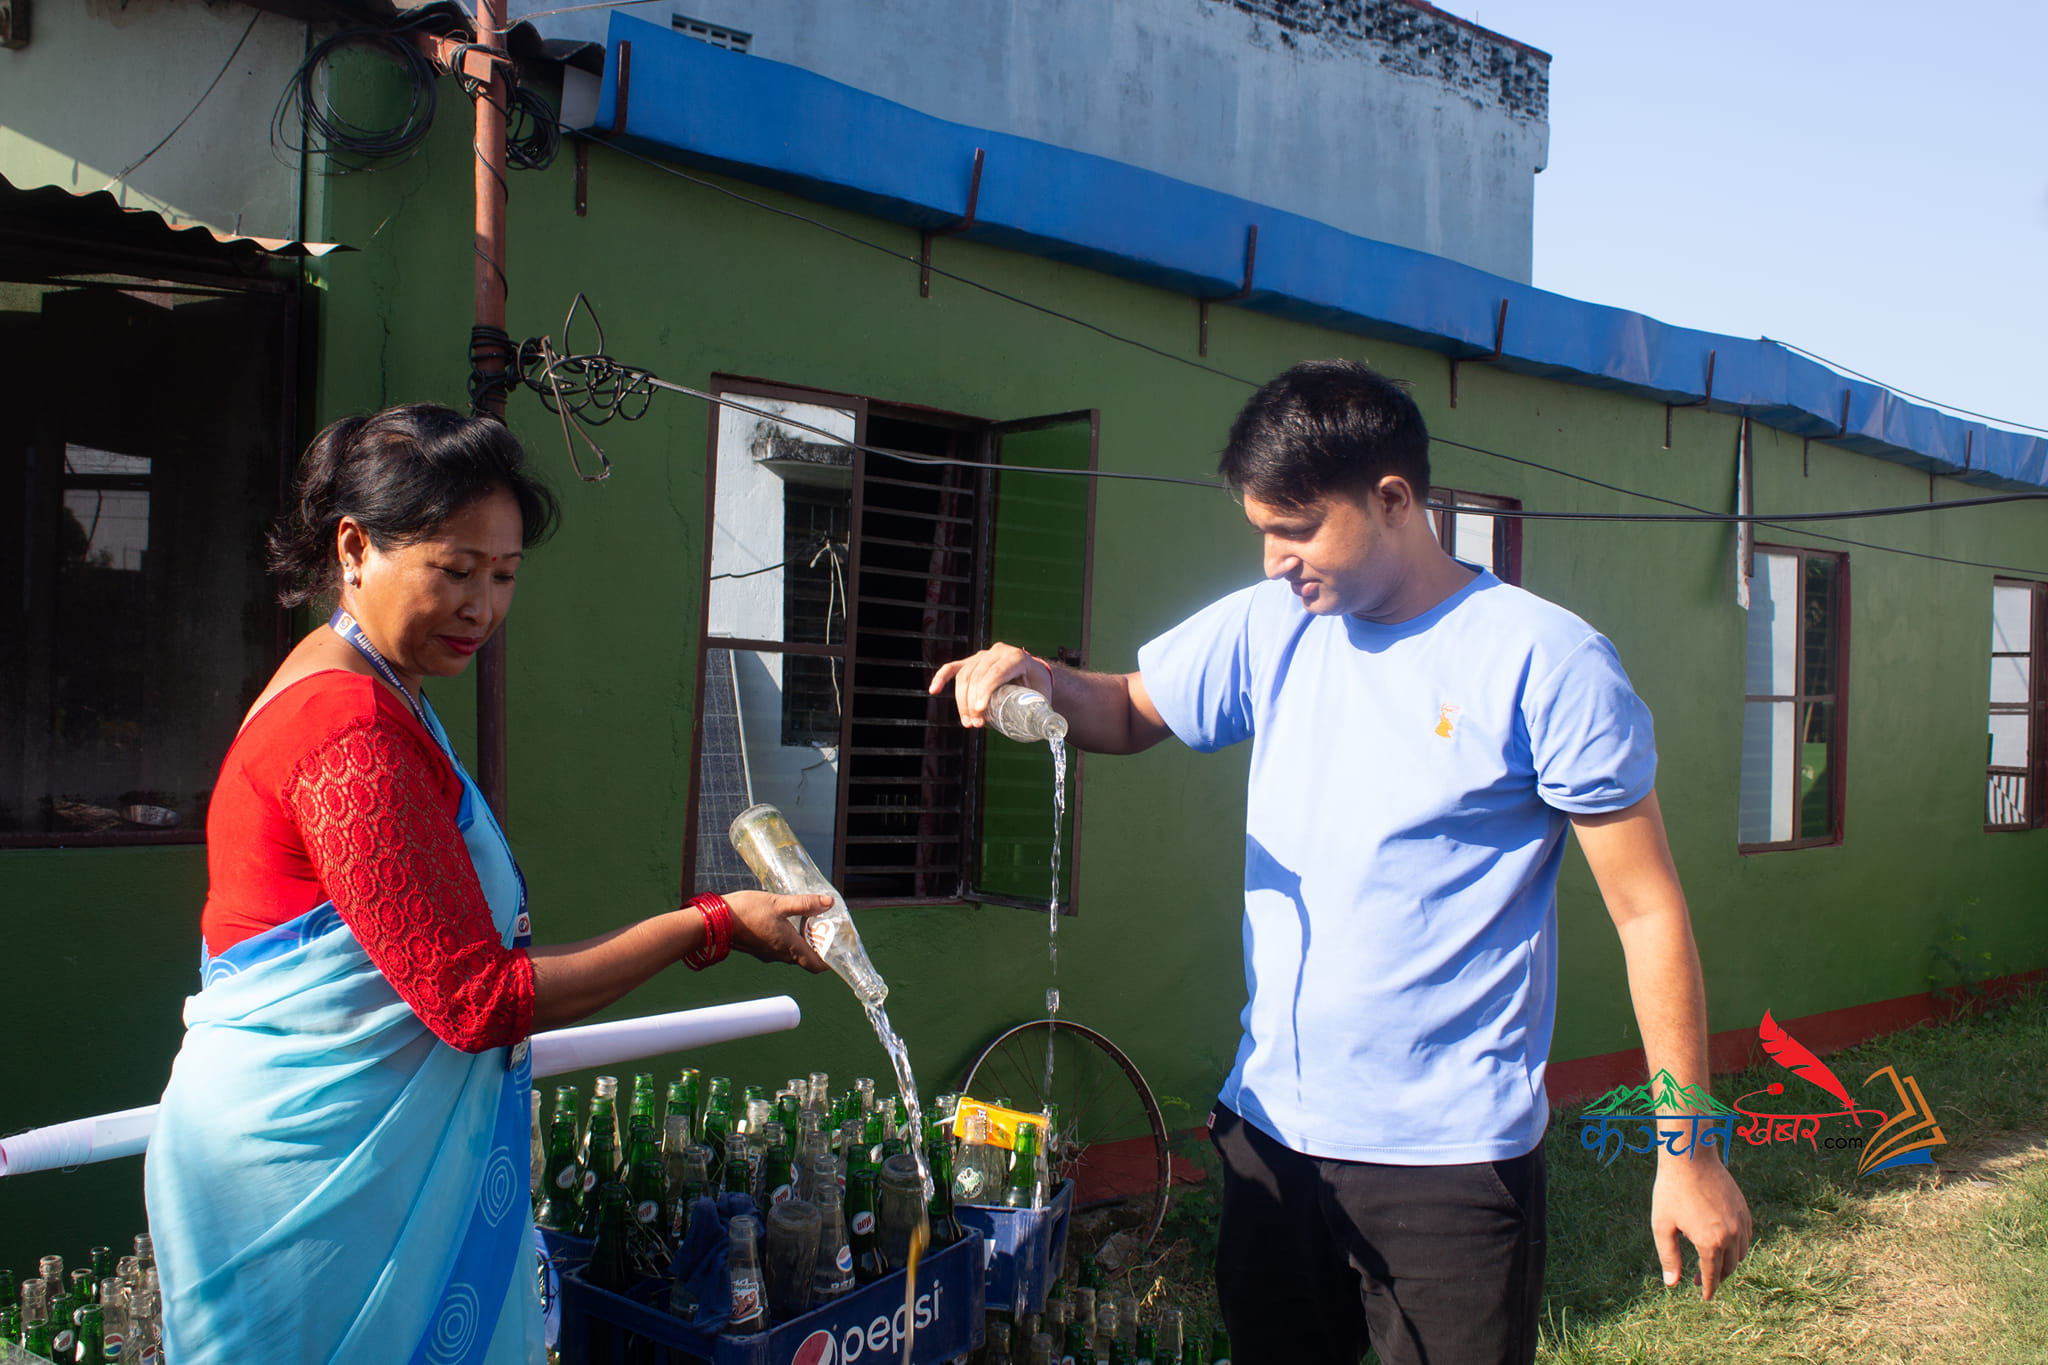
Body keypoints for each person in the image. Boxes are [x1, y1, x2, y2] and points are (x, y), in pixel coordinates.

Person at [931, 361, 1751, 1365]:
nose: (1274, 560)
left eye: (1296, 529)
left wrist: (1689, 1153)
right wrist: (1036, 679)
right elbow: (1131, 709)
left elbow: (1647, 914)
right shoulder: (1272, 624)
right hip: (1270, 1133)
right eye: (1261, 533)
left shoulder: (1544, 662)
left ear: (1393, 500)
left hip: (1449, 1165)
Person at [144, 405, 831, 1365]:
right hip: (305, 1186)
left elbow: (460, 957)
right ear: (355, 546)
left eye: (503, 577)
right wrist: (707, 926)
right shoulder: (346, 728)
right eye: (454, 570)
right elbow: (477, 998)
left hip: (346, 1166)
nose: (482, 606)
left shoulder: (389, 695)